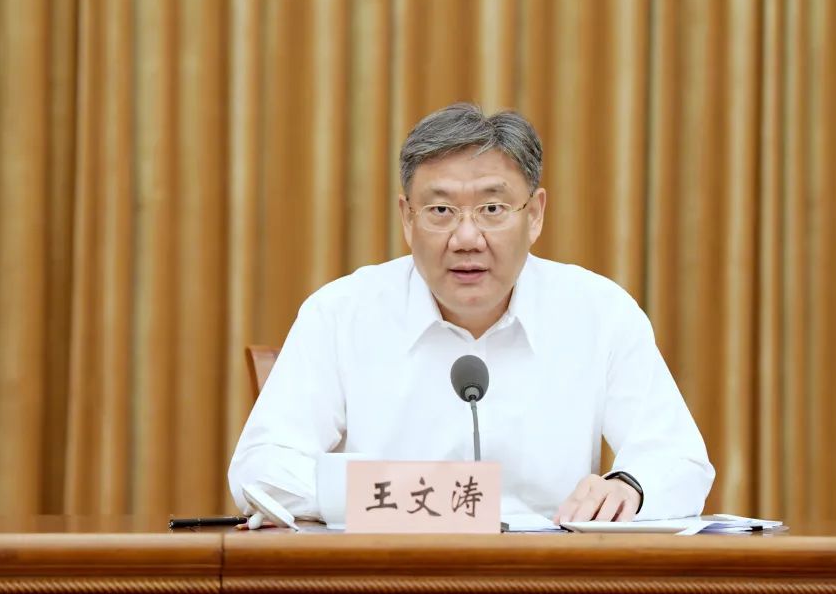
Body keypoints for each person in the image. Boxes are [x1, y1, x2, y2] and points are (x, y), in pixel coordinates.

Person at [228, 103, 714, 523]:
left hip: (550, 583)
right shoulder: (341, 314)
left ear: (535, 215)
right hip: (388, 579)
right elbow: (260, 470)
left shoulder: (599, 313)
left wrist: (630, 487)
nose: (466, 238)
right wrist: (421, 503)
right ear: (407, 218)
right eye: (441, 211)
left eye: (492, 209)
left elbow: (680, 460)